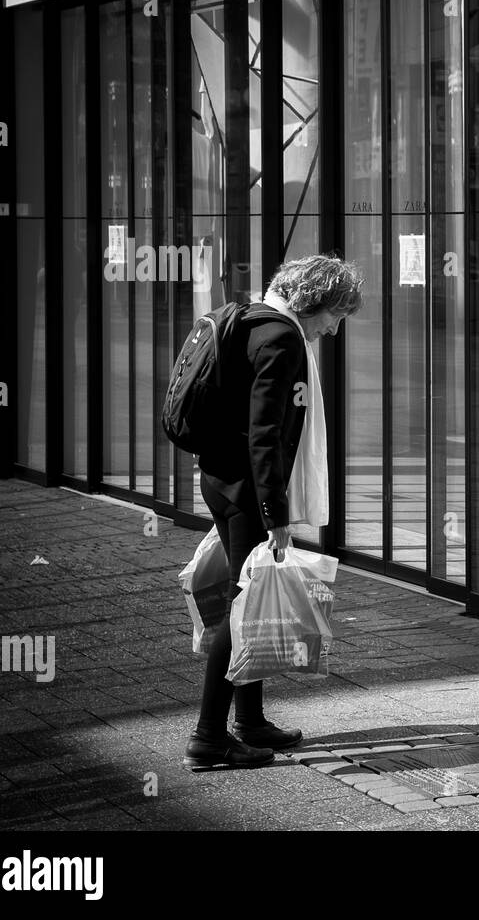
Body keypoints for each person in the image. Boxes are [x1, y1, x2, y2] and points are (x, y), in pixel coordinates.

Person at [184, 254, 364, 771]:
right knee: (245, 607)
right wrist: (275, 513)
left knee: (255, 594)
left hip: (223, 477)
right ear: (314, 303)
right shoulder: (283, 339)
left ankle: (250, 721)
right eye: (336, 316)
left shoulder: (252, 321)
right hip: (245, 489)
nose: (333, 330)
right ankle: (209, 737)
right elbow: (264, 432)